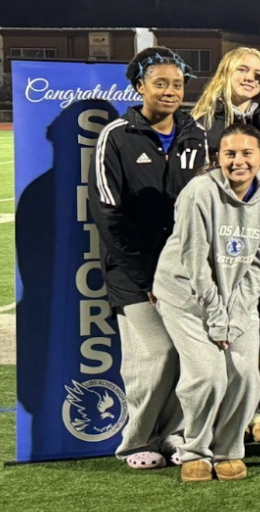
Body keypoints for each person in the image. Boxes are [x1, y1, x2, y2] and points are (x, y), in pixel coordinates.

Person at [88, 46, 207, 469]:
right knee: (155, 353)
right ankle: (136, 441)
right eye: (161, 83)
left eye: (177, 84)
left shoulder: (196, 133)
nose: (171, 91)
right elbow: (108, 214)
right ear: (140, 87)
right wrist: (145, 278)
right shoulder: (116, 136)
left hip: (183, 270)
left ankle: (172, 433)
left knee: (184, 352)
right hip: (133, 272)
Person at [153, 123, 260, 483]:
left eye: (247, 153)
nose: (238, 161)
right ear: (218, 157)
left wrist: (238, 311)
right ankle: (196, 449)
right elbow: (195, 262)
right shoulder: (199, 192)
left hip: (237, 298)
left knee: (245, 374)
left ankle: (229, 449)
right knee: (208, 375)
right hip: (187, 296)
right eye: (230, 154)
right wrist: (217, 318)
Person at [191, 47, 260, 153]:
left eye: (258, 74)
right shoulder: (204, 124)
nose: (249, 78)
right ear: (225, 73)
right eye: (242, 70)